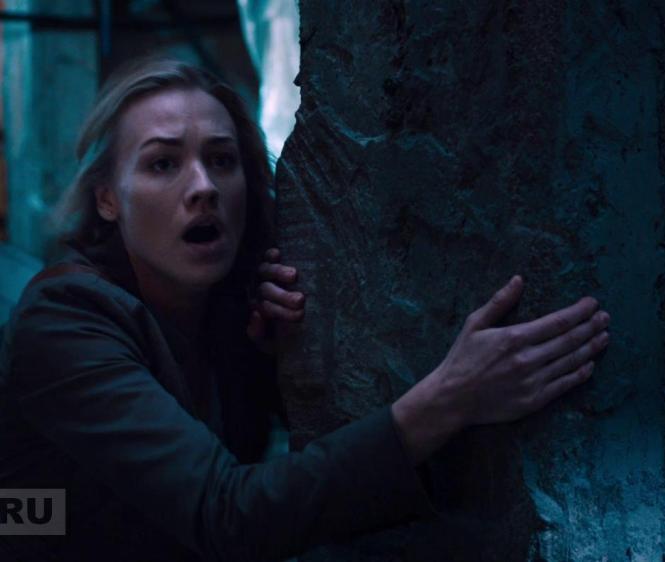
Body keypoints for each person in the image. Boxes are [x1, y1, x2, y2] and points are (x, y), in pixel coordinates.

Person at [0, 57, 611, 561]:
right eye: (163, 163)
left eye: (222, 160)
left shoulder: (229, 309)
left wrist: (275, 362)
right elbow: (229, 516)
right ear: (107, 199)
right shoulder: (65, 319)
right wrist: (448, 398)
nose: (204, 187)